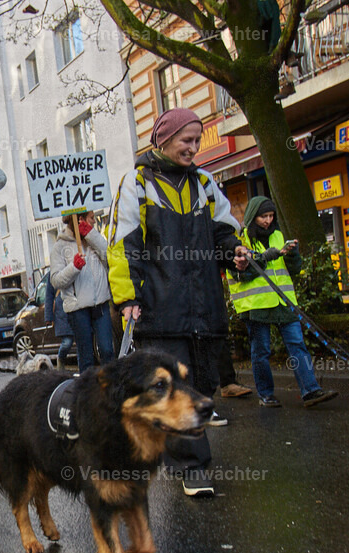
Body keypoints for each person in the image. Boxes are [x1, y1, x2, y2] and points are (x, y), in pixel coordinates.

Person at [107, 107, 250, 497]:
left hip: (205, 307)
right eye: (186, 140)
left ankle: (170, 443)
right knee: (180, 393)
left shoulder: (205, 183)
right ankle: (192, 468)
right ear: (163, 140)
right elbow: (122, 247)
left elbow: (225, 232)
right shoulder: (136, 184)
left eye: (196, 139)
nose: (193, 147)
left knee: (204, 386)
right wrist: (127, 298)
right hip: (160, 309)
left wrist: (235, 251)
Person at [227, 197, 339, 408]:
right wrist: (264, 257)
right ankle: (266, 394)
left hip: (283, 301)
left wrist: (292, 255)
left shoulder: (278, 235)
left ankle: (310, 391)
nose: (268, 221)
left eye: (271, 216)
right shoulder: (239, 242)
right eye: (263, 217)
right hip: (256, 305)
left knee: (297, 345)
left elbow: (294, 270)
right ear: (252, 216)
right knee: (261, 352)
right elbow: (238, 274)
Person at [50, 211, 113, 371]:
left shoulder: (94, 239)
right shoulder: (59, 247)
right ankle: (87, 392)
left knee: (107, 350)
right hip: (78, 308)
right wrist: (74, 267)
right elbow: (56, 280)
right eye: (91, 218)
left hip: (101, 302)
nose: (94, 221)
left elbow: (111, 258)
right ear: (80, 219)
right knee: (86, 355)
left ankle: (111, 390)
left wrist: (92, 235)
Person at [43, 275, 75, 369]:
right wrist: (48, 317)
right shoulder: (52, 273)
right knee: (67, 342)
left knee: (81, 342)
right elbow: (49, 296)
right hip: (61, 312)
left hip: (76, 307)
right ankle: (61, 358)